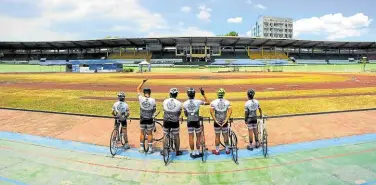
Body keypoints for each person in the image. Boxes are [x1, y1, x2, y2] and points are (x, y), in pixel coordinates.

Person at [183, 87, 210, 159]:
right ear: (194, 94)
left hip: (189, 121)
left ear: (187, 94)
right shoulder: (198, 101)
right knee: (198, 137)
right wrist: (203, 94)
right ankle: (198, 152)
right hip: (196, 121)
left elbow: (186, 114)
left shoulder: (185, 103)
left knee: (191, 137)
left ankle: (192, 152)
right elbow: (208, 102)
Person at [210, 88, 232, 155]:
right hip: (224, 121)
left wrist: (215, 120)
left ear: (217, 94)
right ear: (223, 94)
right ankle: (227, 150)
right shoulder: (227, 102)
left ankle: (217, 151)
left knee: (217, 136)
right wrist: (226, 120)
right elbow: (230, 111)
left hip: (217, 121)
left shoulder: (213, 102)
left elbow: (211, 112)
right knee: (225, 135)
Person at [137, 79, 156, 154]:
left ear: (144, 93)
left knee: (142, 133)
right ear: (150, 93)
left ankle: (141, 148)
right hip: (149, 119)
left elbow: (138, 89)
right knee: (150, 133)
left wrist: (142, 82)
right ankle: (150, 149)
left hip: (142, 119)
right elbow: (154, 110)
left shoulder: (141, 98)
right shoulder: (152, 100)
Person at [162, 88, 183, 156]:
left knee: (165, 134)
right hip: (175, 122)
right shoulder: (179, 103)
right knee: (176, 135)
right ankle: (177, 151)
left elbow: (164, 110)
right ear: (176, 94)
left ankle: (164, 151)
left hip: (166, 121)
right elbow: (179, 113)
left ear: (170, 94)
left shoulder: (165, 101)